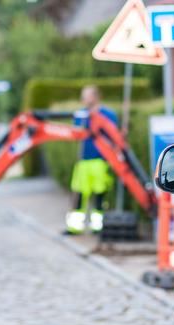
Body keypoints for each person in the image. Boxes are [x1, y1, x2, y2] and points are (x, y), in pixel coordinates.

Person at [65, 85, 118, 234]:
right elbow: (75, 133)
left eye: (86, 96)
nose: (83, 99)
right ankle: (74, 227)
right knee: (79, 194)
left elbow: (114, 137)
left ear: (95, 97)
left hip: (100, 161)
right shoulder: (81, 115)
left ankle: (98, 227)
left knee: (100, 195)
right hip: (83, 161)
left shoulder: (108, 115)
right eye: (83, 96)